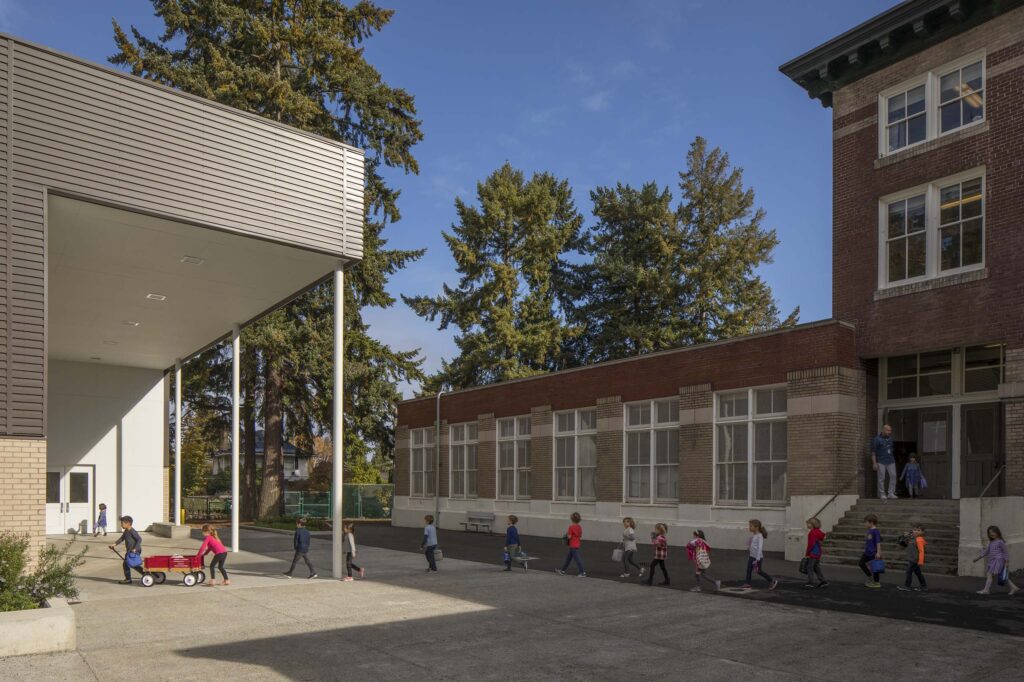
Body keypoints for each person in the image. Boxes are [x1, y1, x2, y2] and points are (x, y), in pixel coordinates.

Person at [973, 525, 1020, 596]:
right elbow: (986, 551)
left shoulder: (1000, 542)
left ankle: (986, 590)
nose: (991, 534)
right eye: (989, 533)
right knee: (1001, 575)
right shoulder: (991, 542)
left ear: (997, 532)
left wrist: (1007, 562)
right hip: (993, 561)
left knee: (989, 574)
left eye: (993, 532)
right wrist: (977, 558)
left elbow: (1005, 552)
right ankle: (1013, 587)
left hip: (998, 560)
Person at [743, 519, 778, 590]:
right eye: (749, 526)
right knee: (748, 570)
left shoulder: (760, 536)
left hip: (757, 557)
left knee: (759, 571)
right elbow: (753, 546)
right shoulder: (754, 535)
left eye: (751, 526)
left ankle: (772, 581)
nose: (749, 527)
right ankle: (747, 584)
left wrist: (757, 558)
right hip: (751, 556)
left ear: (756, 527)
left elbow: (759, 548)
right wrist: (749, 549)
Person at [108, 515, 143, 585]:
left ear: (128, 524)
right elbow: (122, 538)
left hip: (134, 551)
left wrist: (135, 548)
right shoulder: (126, 531)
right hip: (130, 551)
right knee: (132, 564)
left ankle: (128, 579)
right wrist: (115, 544)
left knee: (127, 564)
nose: (121, 525)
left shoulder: (132, 531)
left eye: (122, 523)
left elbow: (139, 539)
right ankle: (145, 574)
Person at [897, 524, 926, 592]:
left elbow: (921, 551)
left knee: (908, 572)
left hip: (915, 559)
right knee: (918, 573)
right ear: (912, 530)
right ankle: (923, 586)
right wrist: (903, 536)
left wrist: (921, 561)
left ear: (922, 532)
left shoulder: (919, 539)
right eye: (915, 530)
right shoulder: (911, 538)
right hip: (912, 559)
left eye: (918, 530)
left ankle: (907, 586)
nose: (916, 531)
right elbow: (903, 544)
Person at [871, 424, 897, 500]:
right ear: (883, 430)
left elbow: (891, 449)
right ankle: (882, 493)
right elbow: (873, 452)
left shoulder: (890, 439)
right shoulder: (876, 439)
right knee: (881, 477)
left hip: (891, 460)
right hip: (881, 461)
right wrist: (874, 463)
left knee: (893, 476)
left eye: (890, 430)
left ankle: (891, 493)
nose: (890, 432)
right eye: (888, 430)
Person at [556, 512, 586, 577]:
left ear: (572, 519)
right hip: (577, 544)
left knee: (577, 559)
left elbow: (569, 537)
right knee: (568, 559)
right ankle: (562, 571)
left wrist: (566, 535)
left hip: (572, 545)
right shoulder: (579, 527)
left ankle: (582, 573)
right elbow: (580, 535)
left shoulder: (571, 527)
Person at [859, 514, 883, 588]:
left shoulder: (876, 531)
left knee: (875, 567)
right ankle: (869, 575)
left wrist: (878, 552)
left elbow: (878, 542)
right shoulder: (869, 530)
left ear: (871, 522)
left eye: (866, 522)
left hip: (873, 553)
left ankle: (876, 583)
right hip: (867, 552)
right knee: (861, 563)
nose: (865, 524)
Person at [804, 517, 828, 589]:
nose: (807, 525)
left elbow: (811, 544)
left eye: (808, 523)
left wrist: (807, 553)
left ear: (812, 524)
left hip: (812, 553)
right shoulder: (818, 532)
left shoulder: (812, 533)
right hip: (818, 552)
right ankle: (823, 581)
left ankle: (810, 582)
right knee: (816, 567)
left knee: (810, 567)